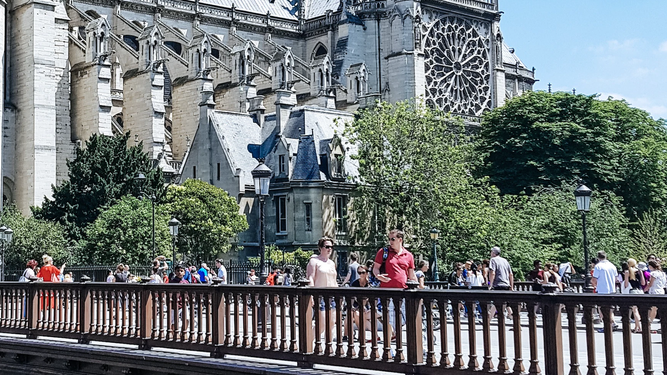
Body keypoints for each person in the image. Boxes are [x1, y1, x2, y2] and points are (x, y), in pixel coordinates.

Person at [372, 229, 416, 339]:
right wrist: (378, 276)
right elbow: (375, 269)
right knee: (389, 318)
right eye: (389, 239)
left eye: (393, 239)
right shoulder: (383, 252)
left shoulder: (408, 255)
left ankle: (399, 340)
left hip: (403, 292)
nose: (390, 241)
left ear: (400, 240)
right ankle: (389, 347)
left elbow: (411, 275)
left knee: (405, 318)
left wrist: (419, 289)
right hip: (387, 291)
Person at [306, 237, 338, 338]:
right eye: (327, 247)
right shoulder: (314, 261)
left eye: (331, 247)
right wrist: (311, 295)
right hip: (319, 295)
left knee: (332, 323)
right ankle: (309, 342)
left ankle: (328, 349)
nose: (330, 249)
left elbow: (334, 280)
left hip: (332, 295)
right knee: (322, 324)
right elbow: (310, 278)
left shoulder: (332, 263)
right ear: (320, 248)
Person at [591, 251, 618, 330]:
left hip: (602, 290)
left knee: (601, 308)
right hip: (612, 290)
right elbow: (616, 279)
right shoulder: (612, 266)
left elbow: (594, 279)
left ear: (598, 257)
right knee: (609, 308)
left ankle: (607, 326)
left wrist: (595, 286)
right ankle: (613, 323)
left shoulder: (598, 266)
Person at [625, 258, 644, 333]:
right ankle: (636, 326)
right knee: (639, 310)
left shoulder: (628, 271)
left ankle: (639, 327)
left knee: (635, 310)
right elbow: (643, 283)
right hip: (640, 291)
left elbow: (626, 284)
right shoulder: (639, 271)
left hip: (633, 291)